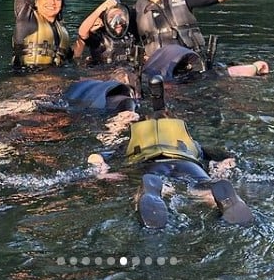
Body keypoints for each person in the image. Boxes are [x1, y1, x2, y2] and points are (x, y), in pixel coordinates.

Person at [87, 75, 254, 228]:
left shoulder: (131, 143)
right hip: (188, 165)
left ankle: (153, 191)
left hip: (151, 167)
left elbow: (96, 156)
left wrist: (102, 171)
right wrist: (222, 170)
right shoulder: (192, 143)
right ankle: (215, 196)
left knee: (158, 185)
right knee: (203, 188)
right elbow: (228, 158)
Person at [135, 0, 269, 78]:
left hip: (191, 66)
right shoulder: (137, 8)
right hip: (157, 71)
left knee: (221, 76)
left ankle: (255, 67)